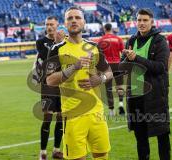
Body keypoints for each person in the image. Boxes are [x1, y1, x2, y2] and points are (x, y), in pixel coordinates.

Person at [46, 6, 112, 160]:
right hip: (73, 115)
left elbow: (108, 73)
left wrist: (99, 79)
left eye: (77, 17)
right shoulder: (57, 49)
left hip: (97, 113)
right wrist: (74, 67)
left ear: (84, 22)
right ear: (65, 24)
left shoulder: (93, 47)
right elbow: (50, 80)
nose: (74, 20)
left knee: (102, 155)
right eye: (70, 18)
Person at [121, 9, 170, 160]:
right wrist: (126, 61)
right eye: (139, 20)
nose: (141, 23)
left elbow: (161, 67)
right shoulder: (131, 41)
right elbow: (123, 67)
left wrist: (136, 58)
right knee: (140, 138)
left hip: (155, 97)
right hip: (135, 96)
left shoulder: (159, 41)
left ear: (151, 22)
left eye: (145, 20)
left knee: (162, 136)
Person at [34, 16, 65, 160]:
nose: (49, 27)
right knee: (47, 118)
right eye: (47, 24)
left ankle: (56, 150)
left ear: (57, 25)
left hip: (61, 85)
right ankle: (42, 152)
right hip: (47, 85)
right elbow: (45, 60)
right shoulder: (41, 42)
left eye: (52, 24)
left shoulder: (64, 42)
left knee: (60, 118)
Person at [98, 23, 125, 116]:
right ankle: (121, 104)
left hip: (107, 65)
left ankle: (111, 110)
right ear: (111, 29)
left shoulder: (101, 40)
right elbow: (123, 53)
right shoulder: (118, 39)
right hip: (118, 64)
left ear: (105, 29)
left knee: (108, 88)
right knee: (120, 85)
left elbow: (100, 56)